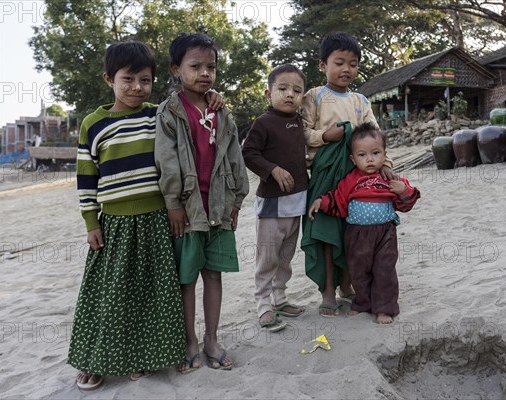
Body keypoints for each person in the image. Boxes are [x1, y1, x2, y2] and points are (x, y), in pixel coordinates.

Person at [69, 40, 188, 391]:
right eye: (129, 79)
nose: (137, 87)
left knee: (155, 293)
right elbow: (86, 178)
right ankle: (97, 360)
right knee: (110, 297)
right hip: (114, 225)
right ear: (109, 79)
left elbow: (193, 107)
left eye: (146, 80)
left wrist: (215, 98)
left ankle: (148, 357)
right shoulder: (93, 124)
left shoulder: (159, 114)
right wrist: (91, 222)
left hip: (156, 219)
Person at [155, 32, 249, 372]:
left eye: (210, 67)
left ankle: (211, 339)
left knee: (214, 275)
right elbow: (166, 160)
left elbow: (235, 158)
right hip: (188, 210)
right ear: (176, 69)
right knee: (187, 279)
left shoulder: (222, 113)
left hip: (219, 207)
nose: (204, 73)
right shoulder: (169, 112)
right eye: (195, 66)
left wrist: (237, 200)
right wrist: (173, 203)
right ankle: (190, 341)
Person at [300, 32, 397, 317]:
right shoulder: (314, 97)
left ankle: (347, 286)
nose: (346, 69)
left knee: (352, 234)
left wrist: (387, 163)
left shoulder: (360, 101)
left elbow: (375, 136)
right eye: (339, 62)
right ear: (322, 65)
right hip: (325, 176)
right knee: (327, 233)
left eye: (353, 64)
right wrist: (325, 136)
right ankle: (328, 292)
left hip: (358, 177)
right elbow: (302, 134)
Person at [308, 123, 420, 324]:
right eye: (362, 155)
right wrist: (322, 202)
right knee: (358, 270)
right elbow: (338, 201)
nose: (369, 159)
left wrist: (403, 189)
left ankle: (384, 308)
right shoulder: (350, 180)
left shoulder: (389, 179)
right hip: (357, 234)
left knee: (384, 270)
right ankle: (362, 303)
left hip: (385, 233)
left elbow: (407, 203)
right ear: (353, 159)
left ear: (385, 155)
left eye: (375, 153)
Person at [242, 64, 309, 332]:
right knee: (267, 256)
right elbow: (249, 153)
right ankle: (263, 305)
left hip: (297, 202)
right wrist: (272, 169)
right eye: (282, 89)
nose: (289, 94)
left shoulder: (300, 121)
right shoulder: (263, 122)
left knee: (286, 255)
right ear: (268, 92)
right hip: (271, 204)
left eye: (296, 90)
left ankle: (280, 298)